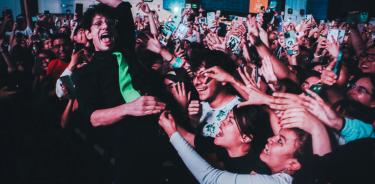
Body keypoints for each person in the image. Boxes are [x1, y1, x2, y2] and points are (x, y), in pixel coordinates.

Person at [72, 0, 170, 183]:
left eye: (109, 23)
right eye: (98, 23)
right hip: (126, 145)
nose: (105, 26)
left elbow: (123, 6)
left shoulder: (125, 50)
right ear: (88, 34)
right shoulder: (84, 73)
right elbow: (93, 118)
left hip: (159, 134)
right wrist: (128, 108)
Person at [159, 111, 314, 184]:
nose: (270, 139)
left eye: (230, 121)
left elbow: (209, 178)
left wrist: (172, 133)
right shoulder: (218, 147)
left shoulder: (262, 173)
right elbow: (188, 138)